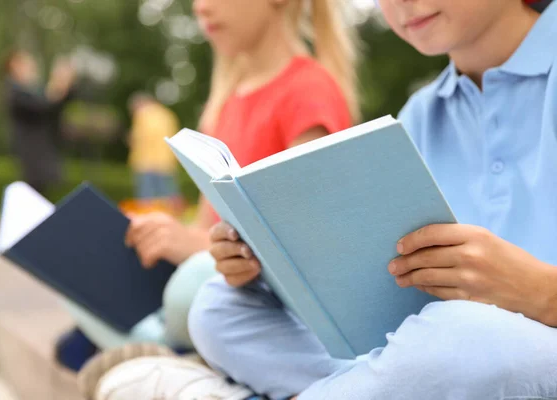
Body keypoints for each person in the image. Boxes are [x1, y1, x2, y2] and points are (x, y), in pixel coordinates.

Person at [88, 0, 557, 399]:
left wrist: (541, 292)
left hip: (505, 347)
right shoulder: (421, 115)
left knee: (467, 337)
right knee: (217, 307)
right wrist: (266, 264)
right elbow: (389, 293)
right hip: (433, 352)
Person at [75, 0, 357, 394]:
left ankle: (153, 348)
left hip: (265, 304)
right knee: (82, 273)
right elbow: (209, 226)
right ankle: (158, 347)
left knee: (191, 286)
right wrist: (167, 236)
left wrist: (191, 246)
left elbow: (306, 254)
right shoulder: (227, 101)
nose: (201, 7)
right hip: (213, 282)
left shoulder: (309, 92)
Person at [3, 51, 76, 196]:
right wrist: (58, 85)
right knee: (33, 192)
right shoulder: (15, 91)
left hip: (41, 149)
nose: (32, 70)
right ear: (15, 66)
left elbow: (53, 105)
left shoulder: (32, 90)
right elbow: (42, 106)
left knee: (40, 192)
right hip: (31, 151)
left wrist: (63, 87)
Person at [127, 92, 180, 200]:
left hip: (146, 164)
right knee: (168, 202)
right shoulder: (168, 115)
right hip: (167, 164)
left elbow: (138, 138)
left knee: (147, 203)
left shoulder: (142, 115)